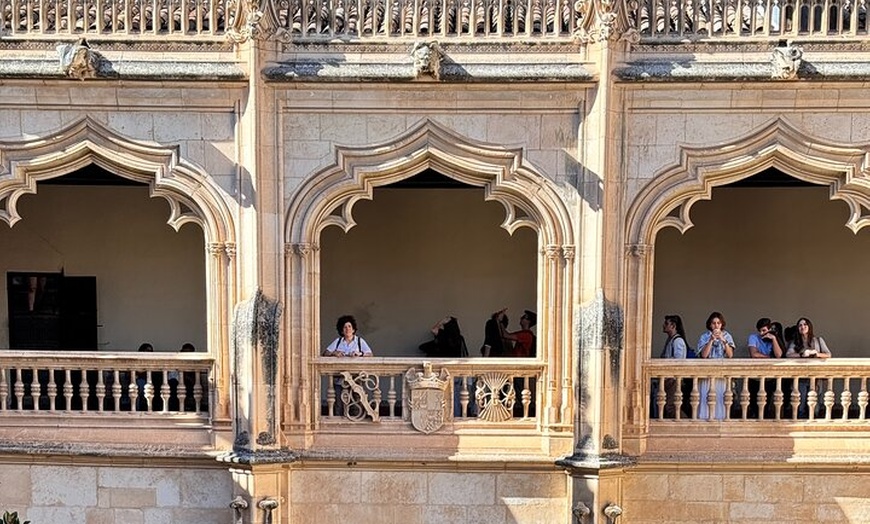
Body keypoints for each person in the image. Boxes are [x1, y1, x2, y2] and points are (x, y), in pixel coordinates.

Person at [786, 317, 831, 418]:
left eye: (805, 324)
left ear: (809, 326)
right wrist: (802, 354)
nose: (803, 327)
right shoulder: (795, 342)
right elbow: (788, 354)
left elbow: (828, 354)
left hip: (815, 377)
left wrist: (817, 353)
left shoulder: (818, 340)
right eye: (800, 325)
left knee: (814, 406)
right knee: (800, 406)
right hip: (800, 377)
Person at [696, 312, 734, 420]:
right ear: (710, 325)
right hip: (707, 374)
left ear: (722, 324)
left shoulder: (727, 336)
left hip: (721, 375)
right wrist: (711, 340)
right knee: (705, 399)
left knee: (720, 399)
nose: (716, 325)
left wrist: (723, 340)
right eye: (713, 323)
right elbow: (704, 355)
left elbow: (730, 355)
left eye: (718, 323)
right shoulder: (704, 336)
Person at [747, 318, 784, 418]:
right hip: (754, 375)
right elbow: (754, 354)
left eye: (764, 330)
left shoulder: (772, 339)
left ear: (769, 330)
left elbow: (779, 355)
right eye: (760, 330)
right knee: (754, 401)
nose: (761, 333)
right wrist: (769, 357)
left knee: (766, 403)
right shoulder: (753, 337)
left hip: (769, 376)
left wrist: (774, 339)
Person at [654, 314, 688, 418]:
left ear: (673, 326)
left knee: (671, 407)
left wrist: (671, 377)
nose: (663, 325)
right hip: (668, 379)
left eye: (666, 323)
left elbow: (678, 362)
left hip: (673, 380)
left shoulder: (678, 341)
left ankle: (684, 423)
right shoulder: (670, 340)